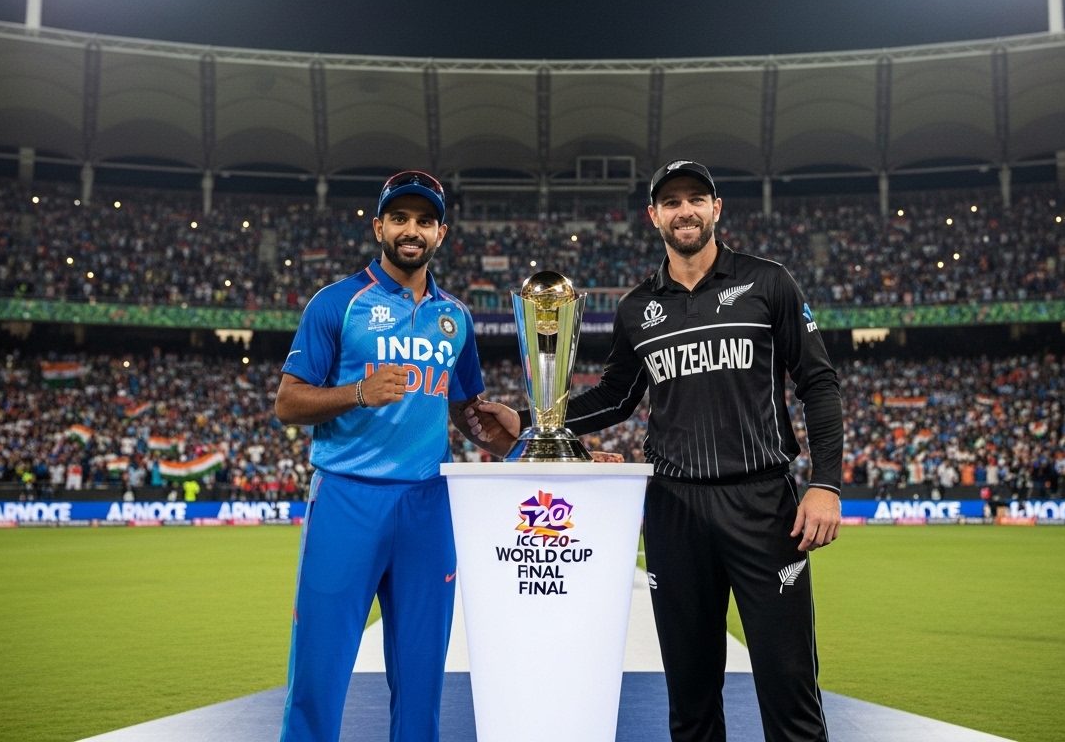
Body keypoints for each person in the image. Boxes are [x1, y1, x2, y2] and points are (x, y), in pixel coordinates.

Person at [468, 160, 843, 742]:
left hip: (762, 505)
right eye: (671, 202)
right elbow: (615, 398)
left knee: (790, 688)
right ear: (654, 216)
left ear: (716, 208)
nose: (684, 210)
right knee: (690, 700)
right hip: (674, 510)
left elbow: (818, 383)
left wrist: (826, 483)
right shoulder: (636, 306)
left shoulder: (769, 283)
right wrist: (528, 420)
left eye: (696, 198)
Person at [275, 170, 504, 742]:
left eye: (424, 221)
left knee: (423, 676)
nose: (411, 230)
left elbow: (467, 412)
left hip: (427, 504)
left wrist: (525, 440)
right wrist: (359, 391)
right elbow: (288, 402)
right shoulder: (337, 303)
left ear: (441, 234)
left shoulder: (456, 317)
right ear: (379, 227)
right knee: (320, 667)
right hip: (347, 497)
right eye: (399, 218)